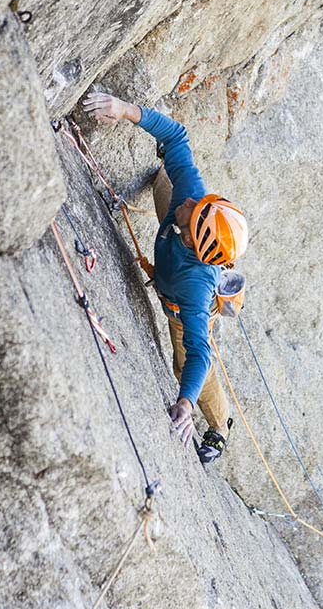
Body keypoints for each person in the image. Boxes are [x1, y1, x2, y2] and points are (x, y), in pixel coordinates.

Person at [83, 92, 248, 464]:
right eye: (199, 203)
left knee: (184, 365)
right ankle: (162, 181)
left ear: (192, 239)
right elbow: (176, 138)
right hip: (172, 252)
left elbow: (200, 352)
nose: (190, 200)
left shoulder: (195, 287)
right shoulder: (191, 200)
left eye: (194, 211)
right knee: (167, 183)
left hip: (177, 303)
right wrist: (125, 111)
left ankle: (220, 426)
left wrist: (186, 403)